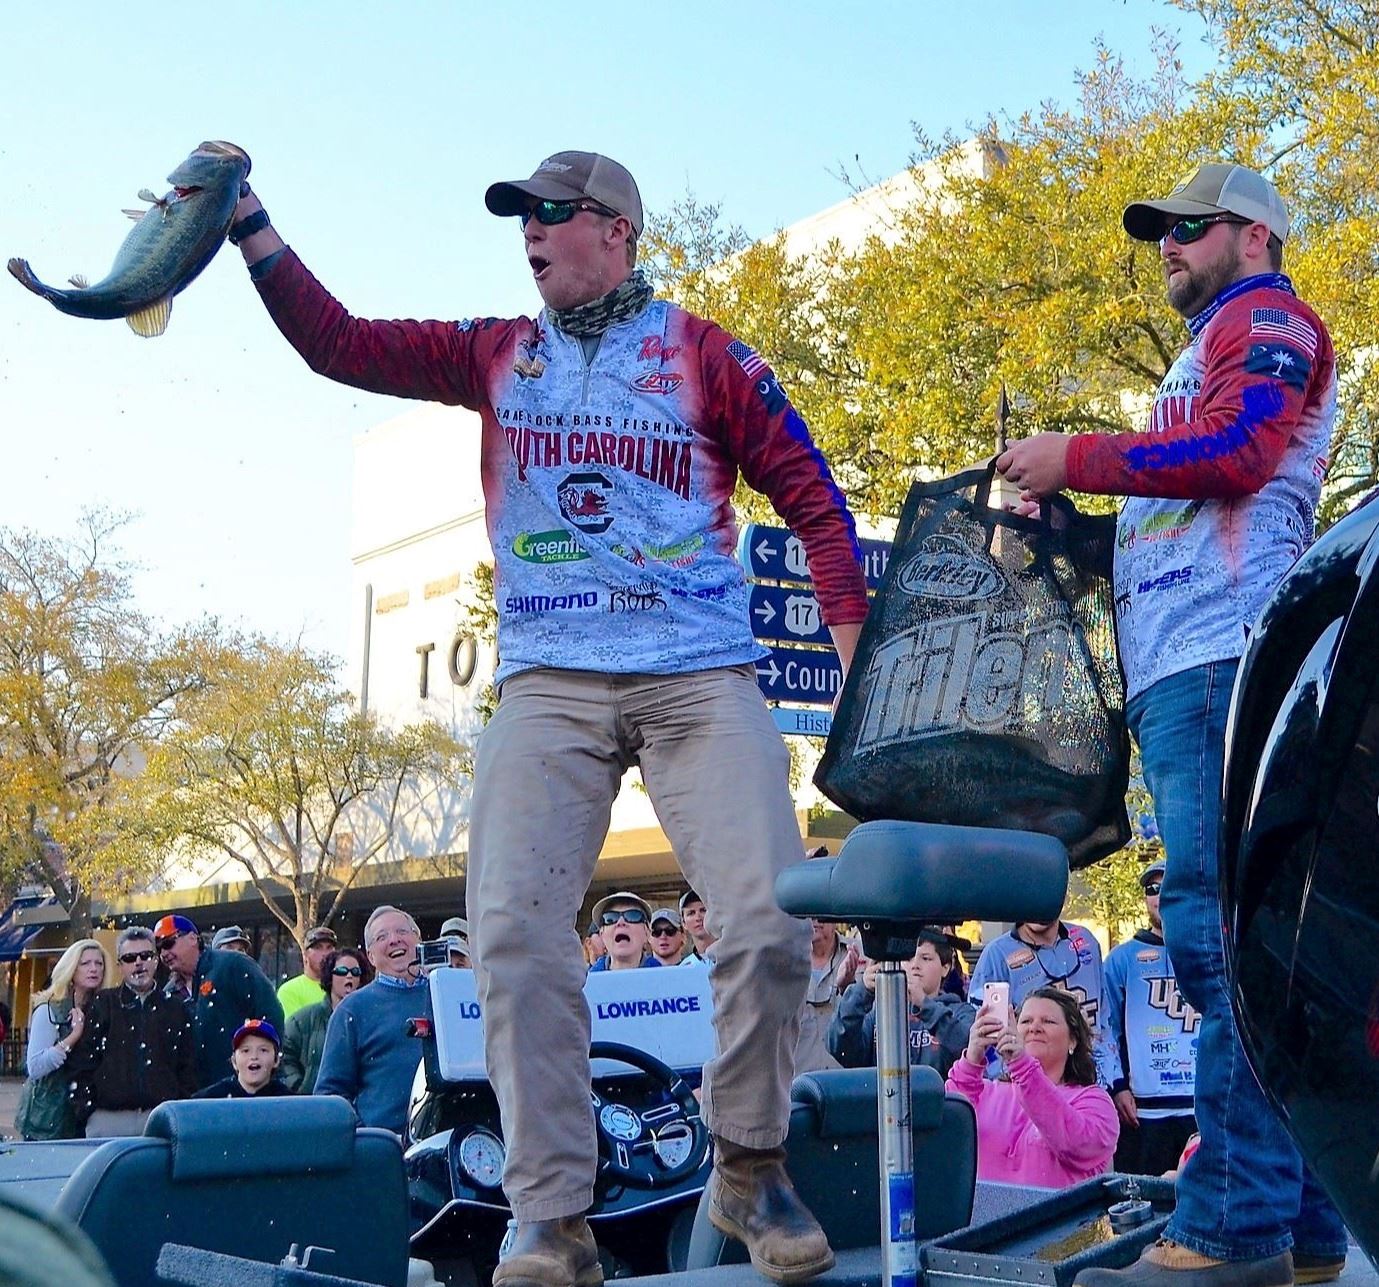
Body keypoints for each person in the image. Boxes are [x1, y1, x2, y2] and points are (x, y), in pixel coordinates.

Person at [232, 145, 867, 1285]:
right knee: (515, 941)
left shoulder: (702, 353)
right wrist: (247, 225)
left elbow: (816, 501)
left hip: (697, 673)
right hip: (548, 679)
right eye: (518, 217)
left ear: (616, 230)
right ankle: (549, 1214)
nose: (528, 233)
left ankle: (751, 1160)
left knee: (774, 922)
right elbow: (338, 344)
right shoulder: (496, 351)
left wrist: (852, 654)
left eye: (551, 214)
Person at [997, 162, 1343, 1287]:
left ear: (1252, 236)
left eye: (1184, 230)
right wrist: (1073, 528)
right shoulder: (1211, 344)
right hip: (1182, 672)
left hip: (1222, 665)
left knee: (1213, 940)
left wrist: (1077, 456)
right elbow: (1166, 527)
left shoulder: (1267, 317)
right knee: (1249, 948)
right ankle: (1298, 1232)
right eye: (1158, 234)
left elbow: (1241, 453)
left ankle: (1233, 1227)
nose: (1164, 248)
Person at [947, 986, 1118, 1188]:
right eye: (1026, 1021)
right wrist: (971, 1059)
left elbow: (1075, 1144)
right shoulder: (986, 1092)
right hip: (984, 1218)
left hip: (1055, 1218)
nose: (1034, 1028)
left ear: (1073, 1040)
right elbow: (947, 1131)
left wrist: (1022, 1065)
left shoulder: (1094, 1101)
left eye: (1048, 1021)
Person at [1103, 861, 1199, 1177]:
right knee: (1145, 1205)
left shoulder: (1211, 951)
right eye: (1151, 889)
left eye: (1167, 886)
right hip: (1143, 1113)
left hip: (1202, 1108)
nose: (1159, 895)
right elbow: (1106, 1030)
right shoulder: (1121, 959)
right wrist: (1117, 1087)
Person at [314, 906, 430, 1135]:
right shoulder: (352, 1010)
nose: (394, 940)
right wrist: (367, 1139)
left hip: (456, 1144)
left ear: (418, 940)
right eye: (382, 937)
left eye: (402, 932)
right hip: (386, 1148)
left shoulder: (448, 993)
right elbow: (330, 1095)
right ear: (371, 956)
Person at [79, 926, 196, 1137]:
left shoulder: (176, 1009)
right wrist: (86, 1109)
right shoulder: (103, 1004)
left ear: (156, 959)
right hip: (108, 1119)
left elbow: (187, 1066)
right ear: (119, 965)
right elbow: (83, 1061)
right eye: (130, 958)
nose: (138, 963)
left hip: (161, 1118)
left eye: (145, 955)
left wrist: (180, 1105)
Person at [968, 908, 1108, 1081]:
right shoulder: (996, 955)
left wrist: (1116, 1080)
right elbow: (985, 1037)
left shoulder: (1086, 940)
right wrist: (1010, 1084)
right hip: (1027, 1088)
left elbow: (1105, 1017)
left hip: (1093, 1081)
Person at [153, 913, 284, 1090]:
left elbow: (270, 1014)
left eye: (169, 943)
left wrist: (262, 1071)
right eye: (159, 948)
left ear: (193, 938)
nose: (164, 953)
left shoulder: (232, 965)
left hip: (243, 1090)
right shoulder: (169, 994)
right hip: (196, 1095)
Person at [828, 931, 976, 1079]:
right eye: (908, 959)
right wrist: (861, 992)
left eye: (926, 958)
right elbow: (840, 1049)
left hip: (938, 1100)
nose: (915, 966)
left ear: (946, 967)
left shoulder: (961, 1012)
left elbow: (970, 1051)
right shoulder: (880, 1011)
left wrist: (924, 1005)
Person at [18, 939, 107, 1140]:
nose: (93, 969)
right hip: (49, 1115)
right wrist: (73, 1036)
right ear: (71, 969)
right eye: (85, 963)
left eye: (98, 963)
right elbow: (35, 1066)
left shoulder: (103, 1007)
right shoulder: (49, 1010)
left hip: (86, 1112)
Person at [281, 946, 369, 1094]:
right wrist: (299, 1087)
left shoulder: (370, 1019)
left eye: (355, 972)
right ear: (329, 976)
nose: (349, 976)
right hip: (314, 1106)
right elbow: (284, 1056)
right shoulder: (303, 1020)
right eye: (342, 971)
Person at [793, 918, 849, 1075]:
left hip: (850, 1087)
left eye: (821, 910)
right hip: (799, 1089)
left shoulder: (860, 955)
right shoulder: (782, 962)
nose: (815, 919)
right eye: (808, 912)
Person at [192, 1019, 292, 1099]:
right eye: (246, 1050)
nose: (254, 1057)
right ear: (234, 1061)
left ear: (276, 1060)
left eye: (263, 1050)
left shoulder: (289, 1102)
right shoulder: (208, 1100)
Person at [277, 925, 340, 1020]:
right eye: (318, 948)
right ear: (305, 954)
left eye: (329, 947)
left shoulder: (344, 987)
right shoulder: (289, 990)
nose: (325, 953)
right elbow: (295, 1030)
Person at [586, 893, 661, 972]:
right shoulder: (585, 982)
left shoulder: (667, 979)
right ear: (602, 935)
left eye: (632, 916)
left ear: (647, 933)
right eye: (610, 918)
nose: (620, 922)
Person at [678, 890, 717, 967]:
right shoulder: (683, 968)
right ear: (683, 923)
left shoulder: (732, 959)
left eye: (703, 910)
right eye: (691, 913)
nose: (698, 918)